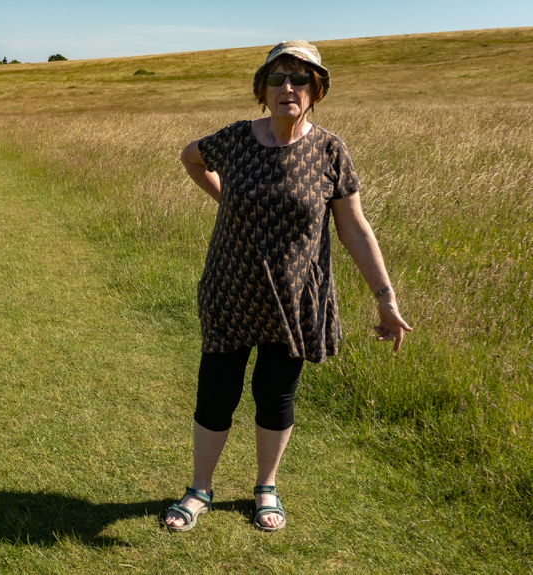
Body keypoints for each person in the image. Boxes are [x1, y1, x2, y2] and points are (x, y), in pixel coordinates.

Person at [164, 40, 412, 533]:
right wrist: (226, 198)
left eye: (300, 79)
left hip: (295, 297)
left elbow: (355, 229)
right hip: (230, 290)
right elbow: (191, 158)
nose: (288, 87)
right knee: (216, 392)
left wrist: (386, 298)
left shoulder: (329, 150)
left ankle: (265, 487)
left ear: (316, 90)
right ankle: (199, 490)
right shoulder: (235, 138)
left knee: (275, 395)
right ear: (263, 89)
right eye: (277, 79)